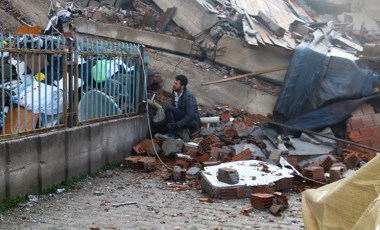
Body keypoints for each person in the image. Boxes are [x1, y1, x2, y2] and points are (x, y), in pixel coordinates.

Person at [164, 74, 201, 139]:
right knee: (160, 125)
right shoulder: (174, 92)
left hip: (192, 121)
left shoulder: (189, 97)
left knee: (168, 109)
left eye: (176, 84)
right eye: (174, 82)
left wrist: (178, 124)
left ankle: (171, 134)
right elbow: (174, 108)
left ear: (182, 86)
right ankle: (171, 131)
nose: (173, 85)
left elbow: (190, 115)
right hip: (181, 116)